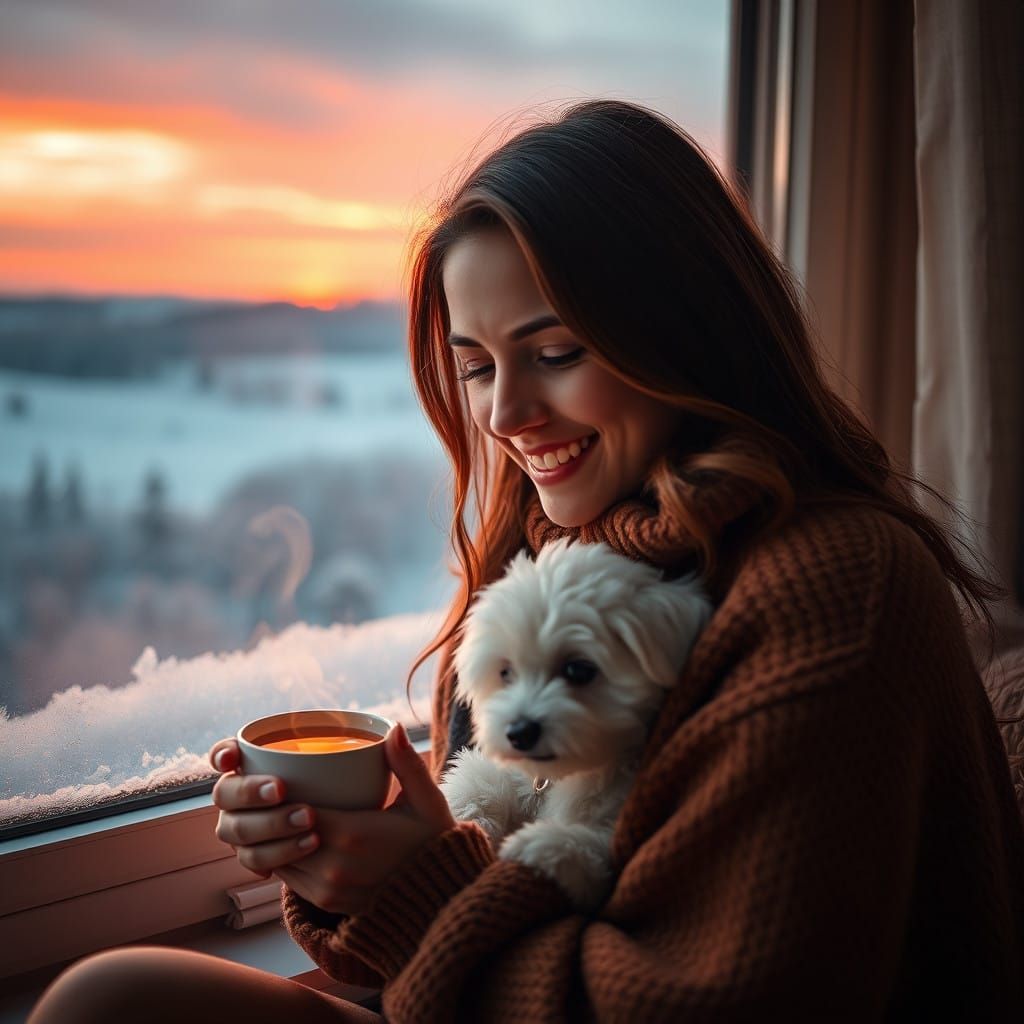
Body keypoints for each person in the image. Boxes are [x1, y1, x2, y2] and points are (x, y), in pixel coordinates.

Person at [29, 99, 1024, 1023]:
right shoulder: (550, 552)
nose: (504, 415)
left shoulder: (832, 587)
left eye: (554, 353)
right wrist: (351, 855)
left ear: (684, 334)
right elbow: (451, 925)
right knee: (110, 995)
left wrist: (417, 893)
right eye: (475, 365)